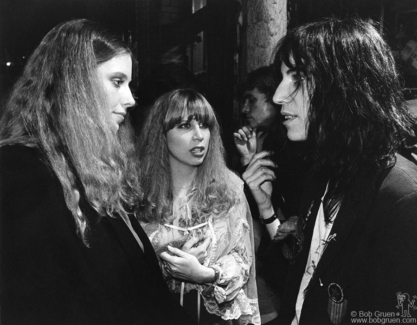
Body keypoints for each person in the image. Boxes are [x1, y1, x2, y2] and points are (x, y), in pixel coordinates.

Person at [0, 19, 192, 325]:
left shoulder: (92, 166)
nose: (130, 99)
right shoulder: (20, 169)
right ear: (75, 84)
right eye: (117, 81)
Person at [243, 17, 417, 325]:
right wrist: (266, 208)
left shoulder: (402, 200)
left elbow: (391, 317)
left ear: (344, 86)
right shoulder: (323, 173)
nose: (279, 95)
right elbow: (302, 283)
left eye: (296, 78)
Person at [137, 89, 260, 325]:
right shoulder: (137, 194)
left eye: (204, 125)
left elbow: (243, 262)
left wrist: (205, 274)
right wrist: (166, 268)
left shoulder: (229, 189)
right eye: (184, 126)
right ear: (160, 135)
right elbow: (122, 271)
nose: (199, 136)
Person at [233, 66, 310, 325]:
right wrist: (248, 160)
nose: (245, 109)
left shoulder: (295, 146)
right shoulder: (265, 142)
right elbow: (259, 211)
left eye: (252, 100)